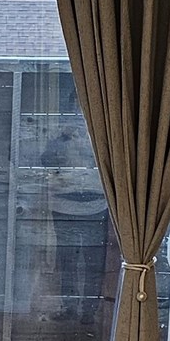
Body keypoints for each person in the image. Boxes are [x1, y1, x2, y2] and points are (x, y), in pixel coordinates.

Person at [42, 128, 110, 322]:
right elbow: (45, 161)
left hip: (95, 207)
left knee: (93, 263)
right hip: (65, 207)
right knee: (67, 260)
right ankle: (70, 307)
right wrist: (60, 142)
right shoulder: (59, 140)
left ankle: (88, 310)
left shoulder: (102, 132)